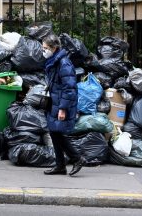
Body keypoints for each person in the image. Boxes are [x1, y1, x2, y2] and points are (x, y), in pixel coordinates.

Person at [41, 34, 85, 176]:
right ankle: (60, 165)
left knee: (58, 134)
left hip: (61, 104)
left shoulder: (63, 63)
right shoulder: (54, 61)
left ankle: (77, 158)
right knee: (54, 133)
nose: (43, 51)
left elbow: (69, 88)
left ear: (54, 48)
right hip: (55, 102)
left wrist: (63, 109)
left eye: (45, 48)